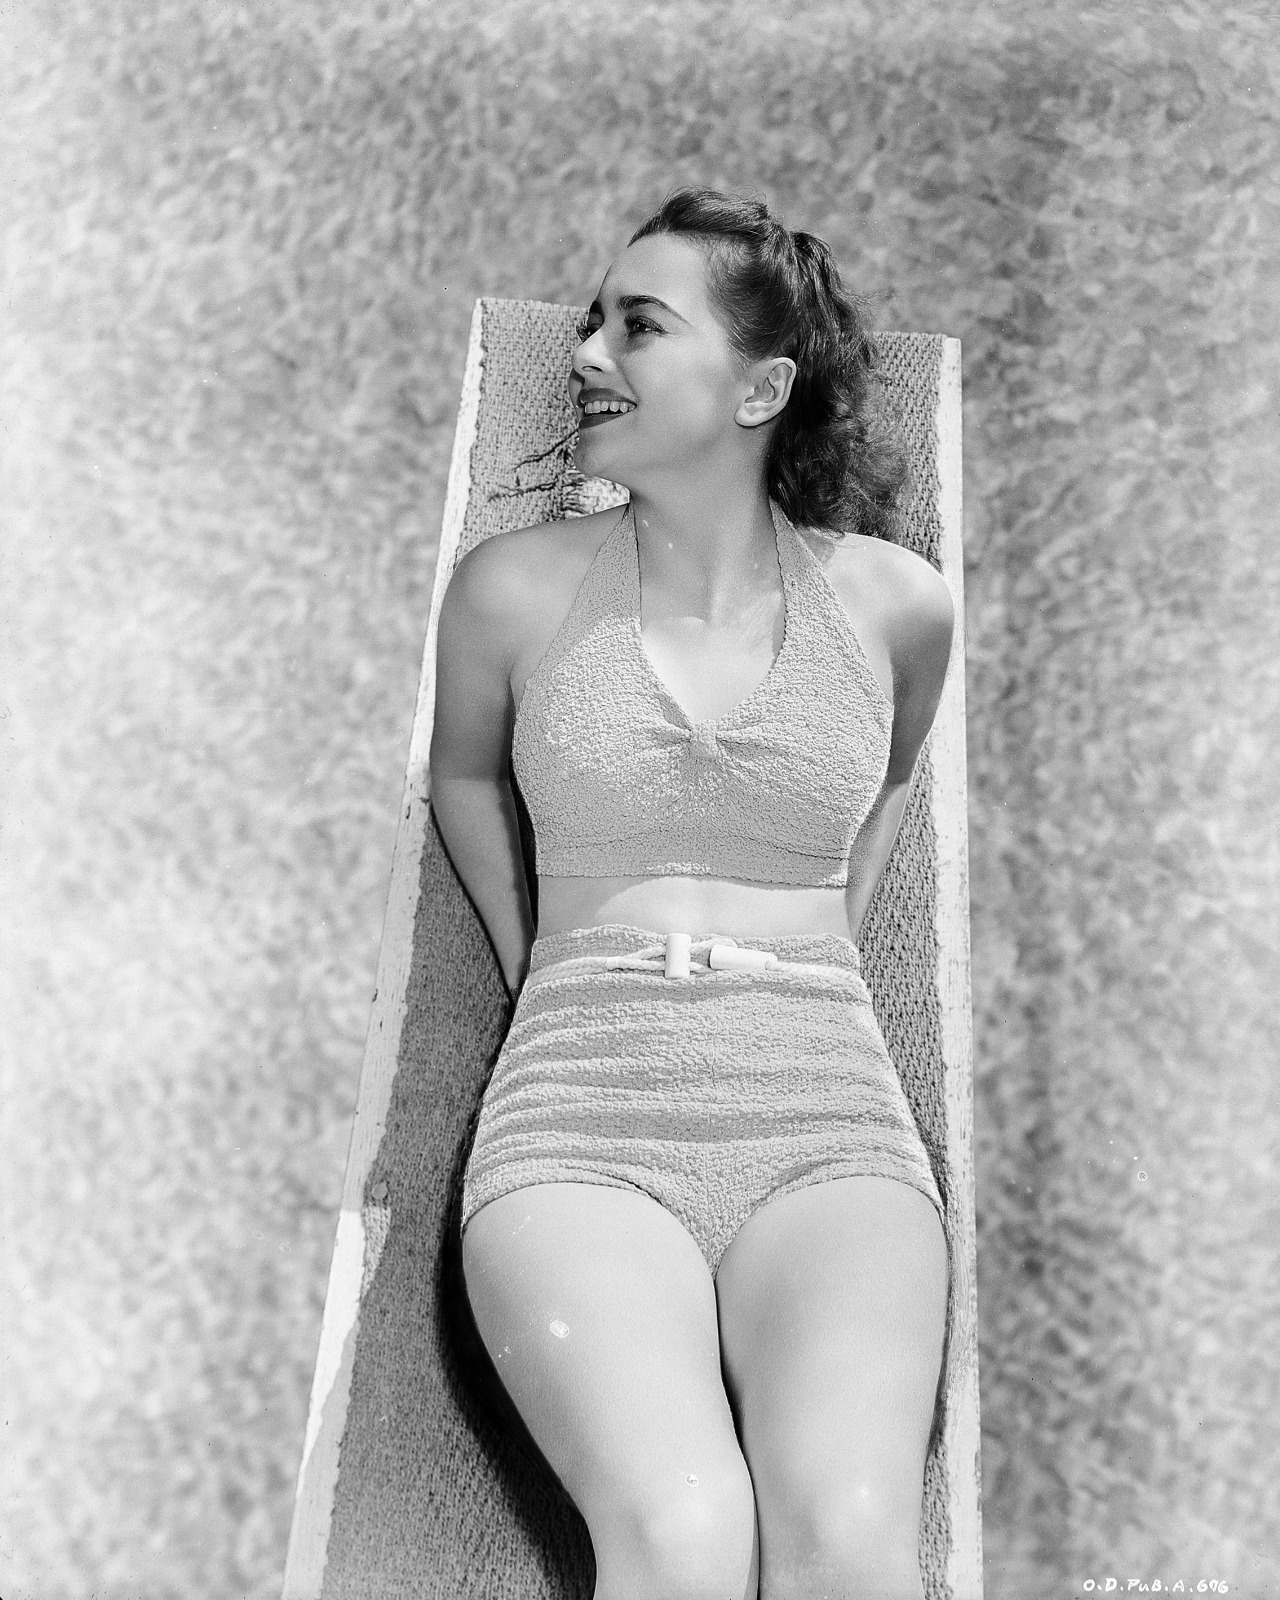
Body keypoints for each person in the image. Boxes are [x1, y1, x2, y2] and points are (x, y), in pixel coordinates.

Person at [429, 188, 955, 1600]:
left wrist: (827, 949)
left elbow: (890, 782)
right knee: (682, 1533)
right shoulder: (512, 591)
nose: (589, 353)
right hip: (582, 1113)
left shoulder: (898, 604)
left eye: (640, 326)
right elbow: (463, 778)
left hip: (827, 1115)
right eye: (592, 321)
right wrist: (542, 965)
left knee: (850, 1537)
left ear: (760, 389)